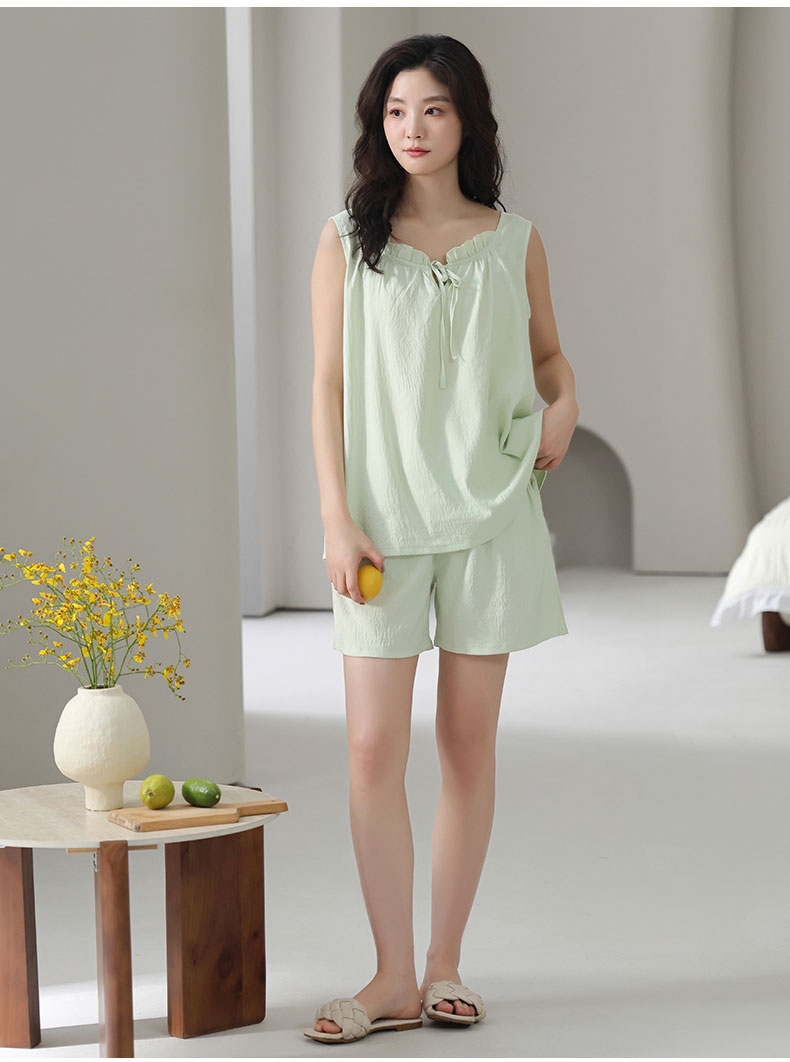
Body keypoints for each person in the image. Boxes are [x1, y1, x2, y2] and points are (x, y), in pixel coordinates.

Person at [307, 33, 578, 1045]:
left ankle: (443, 966)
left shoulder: (515, 240)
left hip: (493, 515)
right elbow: (326, 386)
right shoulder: (346, 240)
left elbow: (549, 357)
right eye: (395, 111)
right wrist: (335, 516)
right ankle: (389, 976)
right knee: (371, 749)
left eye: (432, 109)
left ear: (468, 119)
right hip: (380, 523)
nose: (412, 129)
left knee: (467, 747)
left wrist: (565, 404)